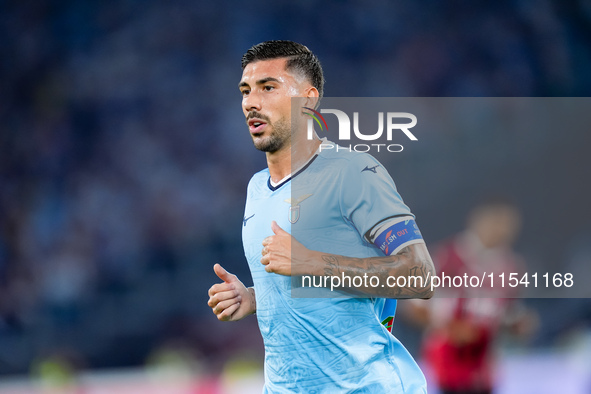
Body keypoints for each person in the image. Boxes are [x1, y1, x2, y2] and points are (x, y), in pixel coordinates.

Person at [207, 40, 436, 393]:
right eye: (245, 90)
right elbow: (306, 289)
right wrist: (256, 299)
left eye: (268, 88)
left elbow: (420, 276)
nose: (251, 102)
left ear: (308, 99)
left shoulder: (354, 172)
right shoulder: (256, 188)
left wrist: (313, 262)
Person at [403, 197, 537, 394]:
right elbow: (413, 305)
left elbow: (506, 314)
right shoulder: (447, 257)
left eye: (509, 224)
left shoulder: (511, 267)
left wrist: (518, 325)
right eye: (498, 222)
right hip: (444, 366)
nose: (503, 230)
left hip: (483, 367)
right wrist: (450, 328)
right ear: (479, 220)